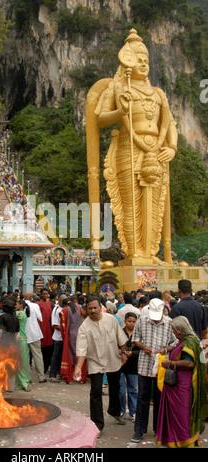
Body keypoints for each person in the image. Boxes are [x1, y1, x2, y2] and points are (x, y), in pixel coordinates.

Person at [87, 28, 178, 263]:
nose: (143, 64)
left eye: (146, 60)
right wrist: (121, 110)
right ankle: (133, 253)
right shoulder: (118, 88)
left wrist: (172, 147)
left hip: (156, 151)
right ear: (127, 63)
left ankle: (151, 253)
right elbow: (101, 119)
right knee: (131, 205)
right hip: (129, 147)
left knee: (156, 205)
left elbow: (169, 123)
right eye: (138, 60)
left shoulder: (158, 93)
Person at [74, 295, 128, 434]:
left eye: (95, 307)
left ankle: (114, 411)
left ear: (100, 307)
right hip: (95, 361)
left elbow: (121, 338)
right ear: (86, 309)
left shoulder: (111, 320)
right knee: (95, 392)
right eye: (90, 308)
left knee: (115, 386)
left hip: (112, 358)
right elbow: (81, 349)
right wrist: (78, 367)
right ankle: (97, 424)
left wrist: (123, 353)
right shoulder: (84, 327)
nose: (93, 311)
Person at [156, 316, 208, 448]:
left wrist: (170, 363)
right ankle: (176, 438)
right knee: (179, 413)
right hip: (178, 382)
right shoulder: (186, 340)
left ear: (180, 330)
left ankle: (183, 440)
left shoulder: (188, 342)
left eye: (174, 330)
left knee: (181, 414)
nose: (173, 332)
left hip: (183, 384)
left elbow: (189, 363)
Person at [131, 298, 177, 443]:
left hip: (162, 366)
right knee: (142, 398)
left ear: (163, 311)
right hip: (145, 364)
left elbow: (175, 342)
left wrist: (164, 350)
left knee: (160, 399)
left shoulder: (170, 323)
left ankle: (159, 429)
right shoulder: (142, 320)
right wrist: (143, 347)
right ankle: (139, 430)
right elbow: (136, 339)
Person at [60, 297, 86, 384]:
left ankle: (69, 378)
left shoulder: (65, 310)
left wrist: (64, 337)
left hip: (70, 335)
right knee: (81, 354)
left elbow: (63, 325)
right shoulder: (78, 307)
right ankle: (82, 378)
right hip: (79, 333)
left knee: (70, 356)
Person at [0, 296, 20, 393]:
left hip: (3, 345)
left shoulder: (1, 317)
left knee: (1, 366)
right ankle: (11, 387)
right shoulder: (15, 318)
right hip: (12, 345)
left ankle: (1, 386)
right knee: (11, 367)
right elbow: (17, 334)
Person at [119, 312, 139, 422]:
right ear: (125, 321)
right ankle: (122, 410)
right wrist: (120, 352)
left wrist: (133, 354)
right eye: (129, 321)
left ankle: (133, 412)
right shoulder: (120, 332)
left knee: (133, 390)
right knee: (121, 389)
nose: (131, 324)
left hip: (133, 365)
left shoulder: (138, 334)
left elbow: (141, 350)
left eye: (133, 322)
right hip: (121, 364)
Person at [23, 291, 47, 383]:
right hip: (34, 333)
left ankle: (27, 377)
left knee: (25, 356)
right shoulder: (35, 306)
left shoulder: (20, 306)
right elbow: (40, 318)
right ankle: (41, 377)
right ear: (31, 297)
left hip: (24, 333)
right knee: (38, 355)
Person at [49, 294, 67, 383]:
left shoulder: (67, 309)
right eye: (63, 301)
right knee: (55, 356)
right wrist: (65, 329)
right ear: (59, 301)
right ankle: (52, 375)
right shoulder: (56, 309)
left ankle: (61, 373)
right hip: (58, 337)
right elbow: (54, 325)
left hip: (65, 337)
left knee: (63, 357)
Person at [14, 299, 31, 392]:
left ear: (20, 305)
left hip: (19, 338)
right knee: (21, 361)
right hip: (23, 338)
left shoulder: (19, 314)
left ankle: (23, 382)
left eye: (16, 304)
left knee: (21, 361)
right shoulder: (21, 313)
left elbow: (17, 326)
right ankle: (21, 382)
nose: (15, 305)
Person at [38, 289, 54, 374]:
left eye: (46, 294)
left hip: (49, 329)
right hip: (41, 328)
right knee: (42, 349)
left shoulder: (50, 304)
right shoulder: (38, 305)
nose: (45, 295)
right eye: (43, 294)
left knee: (49, 348)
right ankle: (43, 367)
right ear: (41, 295)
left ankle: (47, 366)